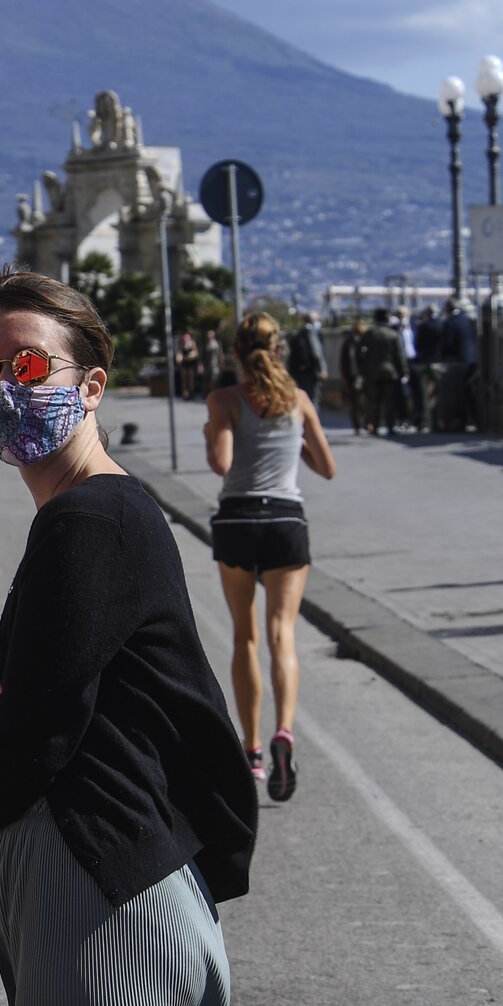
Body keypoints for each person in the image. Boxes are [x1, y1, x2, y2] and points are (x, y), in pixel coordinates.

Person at [0, 268, 256, 1006]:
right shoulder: (87, 516)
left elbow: (39, 735)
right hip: (104, 898)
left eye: (30, 366)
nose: (4, 388)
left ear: (92, 387)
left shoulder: (92, 521)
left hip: (102, 908)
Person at [206, 313, 335, 799]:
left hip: (238, 520)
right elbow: (326, 467)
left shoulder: (224, 401)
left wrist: (213, 431)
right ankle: (284, 731)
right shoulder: (298, 401)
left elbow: (221, 463)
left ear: (235, 353)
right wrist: (294, 444)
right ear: (279, 351)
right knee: (283, 633)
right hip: (285, 522)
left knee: (246, 636)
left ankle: (253, 751)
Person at [358, 307, 408, 436]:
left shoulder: (370, 333)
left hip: (372, 372)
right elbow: (400, 355)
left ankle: (374, 426)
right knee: (389, 401)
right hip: (389, 373)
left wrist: (362, 369)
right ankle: (390, 426)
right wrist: (404, 371)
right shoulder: (392, 334)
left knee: (374, 401)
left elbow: (359, 352)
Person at [441, 299, 480, 431]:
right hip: (472, 360)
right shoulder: (467, 320)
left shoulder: (450, 322)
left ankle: (460, 422)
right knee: (471, 393)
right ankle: (475, 419)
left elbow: (448, 343)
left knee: (457, 395)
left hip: (458, 362)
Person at [286, 311, 328, 404]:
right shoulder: (312, 333)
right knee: (312, 399)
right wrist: (321, 369)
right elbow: (317, 352)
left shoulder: (298, 334)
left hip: (299, 372)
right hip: (311, 372)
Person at [338, 316, 368, 436]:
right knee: (356, 401)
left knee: (361, 401)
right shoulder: (350, 343)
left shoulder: (360, 342)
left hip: (358, 375)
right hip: (354, 376)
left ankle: (363, 423)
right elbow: (346, 361)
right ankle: (359, 424)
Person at [178, 332, 201, 400]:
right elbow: (179, 353)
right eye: (185, 337)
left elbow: (196, 353)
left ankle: (191, 393)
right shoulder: (182, 344)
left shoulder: (192, 343)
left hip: (191, 364)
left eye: (187, 337)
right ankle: (185, 394)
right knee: (184, 380)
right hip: (184, 364)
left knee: (190, 379)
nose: (186, 338)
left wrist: (193, 355)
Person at [201, 328, 224, 395]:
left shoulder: (217, 343)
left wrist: (222, 363)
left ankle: (215, 394)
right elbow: (203, 355)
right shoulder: (205, 344)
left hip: (215, 364)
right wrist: (201, 364)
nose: (209, 336)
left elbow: (220, 354)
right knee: (207, 380)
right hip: (207, 364)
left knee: (215, 380)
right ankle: (208, 394)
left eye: (211, 334)